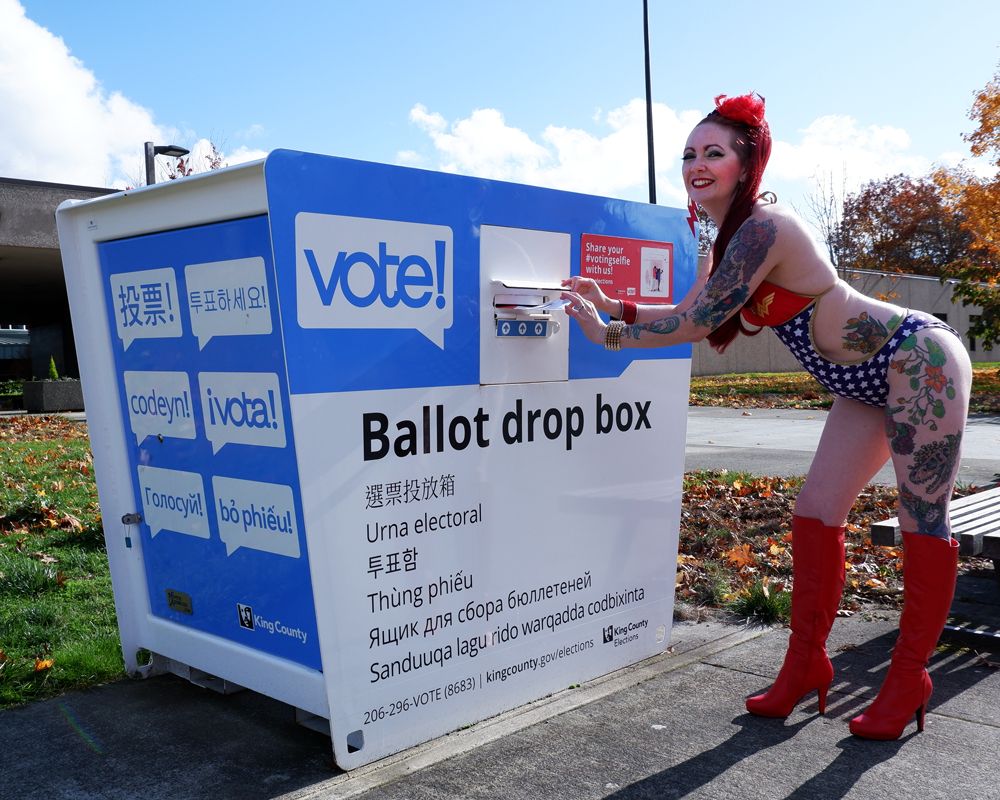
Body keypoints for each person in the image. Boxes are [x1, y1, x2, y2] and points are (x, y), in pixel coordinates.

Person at [561, 92, 971, 741]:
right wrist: (614, 306)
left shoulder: (765, 228)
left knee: (923, 518)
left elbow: (696, 325)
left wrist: (605, 337)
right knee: (814, 512)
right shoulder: (721, 237)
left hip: (914, 359)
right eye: (690, 153)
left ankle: (910, 678)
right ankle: (805, 664)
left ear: (746, 162)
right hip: (857, 379)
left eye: (713, 152)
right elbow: (695, 303)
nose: (697, 164)